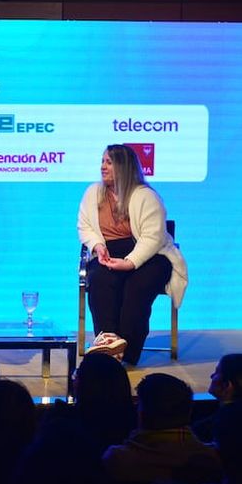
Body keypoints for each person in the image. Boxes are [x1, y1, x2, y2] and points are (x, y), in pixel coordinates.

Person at [77, 144, 187, 364]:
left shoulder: (147, 197)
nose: (103, 167)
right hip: (109, 253)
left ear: (124, 167)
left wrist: (129, 262)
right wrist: (98, 246)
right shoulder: (92, 193)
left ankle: (128, 346)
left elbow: (152, 238)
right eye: (102, 161)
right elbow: (85, 226)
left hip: (151, 257)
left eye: (109, 162)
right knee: (98, 278)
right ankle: (108, 342)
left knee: (137, 285)